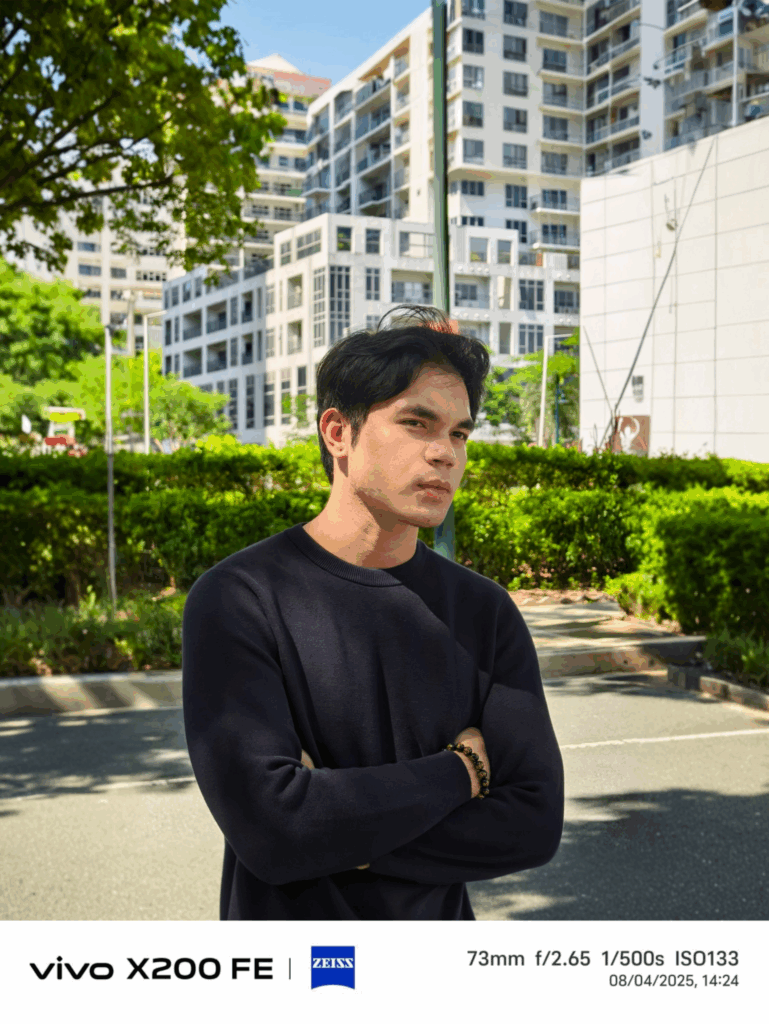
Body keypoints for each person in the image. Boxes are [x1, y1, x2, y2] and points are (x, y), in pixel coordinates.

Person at [182, 305, 564, 920]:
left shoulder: (483, 611)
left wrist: (333, 829)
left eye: (460, 434)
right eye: (417, 423)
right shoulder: (240, 598)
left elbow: (533, 825)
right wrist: (462, 771)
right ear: (338, 433)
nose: (445, 454)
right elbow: (274, 832)